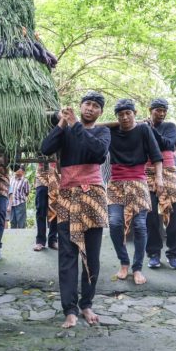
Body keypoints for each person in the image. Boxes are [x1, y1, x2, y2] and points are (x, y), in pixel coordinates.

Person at [41, 91, 110, 329]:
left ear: (100, 111)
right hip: (67, 196)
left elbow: (98, 153)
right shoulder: (66, 130)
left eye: (95, 106)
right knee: (67, 255)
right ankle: (69, 309)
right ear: (81, 106)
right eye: (87, 104)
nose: (90, 108)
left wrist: (74, 125)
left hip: (93, 196)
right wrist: (62, 123)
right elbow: (45, 147)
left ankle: (86, 304)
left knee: (91, 254)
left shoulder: (103, 132)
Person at [106, 99, 162, 285]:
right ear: (116, 117)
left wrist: (160, 179)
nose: (124, 117)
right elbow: (89, 128)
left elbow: (156, 156)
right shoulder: (111, 130)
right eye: (120, 115)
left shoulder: (143, 129)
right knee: (114, 223)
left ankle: (137, 268)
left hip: (138, 182)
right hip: (115, 183)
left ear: (135, 113)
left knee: (139, 225)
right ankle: (124, 262)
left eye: (128, 113)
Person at [145, 98, 176, 270]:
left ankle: (174, 253)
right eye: (158, 110)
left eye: (164, 110)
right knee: (151, 211)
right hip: (147, 171)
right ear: (150, 110)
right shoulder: (141, 126)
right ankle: (154, 253)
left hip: (169, 171)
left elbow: (168, 144)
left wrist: (150, 130)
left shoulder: (169, 127)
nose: (161, 113)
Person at [33, 161, 59, 251]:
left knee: (55, 209)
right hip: (41, 177)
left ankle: (52, 240)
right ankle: (40, 241)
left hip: (55, 176)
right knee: (41, 208)